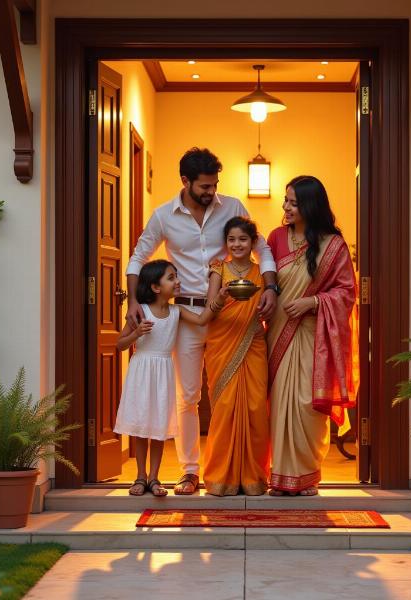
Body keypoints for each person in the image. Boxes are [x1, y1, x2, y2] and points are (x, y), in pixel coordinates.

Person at [125, 148, 277, 495]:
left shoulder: (233, 207)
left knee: (228, 395)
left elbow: (262, 248)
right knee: (189, 396)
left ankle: (233, 471)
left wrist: (270, 286)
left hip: (230, 316)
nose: (212, 192)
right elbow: (138, 257)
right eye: (205, 186)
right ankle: (190, 471)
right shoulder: (163, 216)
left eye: (214, 185)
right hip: (186, 316)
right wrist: (134, 300)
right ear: (186, 182)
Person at [267, 176, 357, 497]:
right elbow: (266, 282)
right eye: (285, 200)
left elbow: (347, 292)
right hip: (278, 334)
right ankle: (279, 475)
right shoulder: (276, 238)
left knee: (306, 404)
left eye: (293, 202)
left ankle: (307, 476)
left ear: (309, 205)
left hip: (312, 336)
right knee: (279, 405)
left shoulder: (333, 245)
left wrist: (313, 301)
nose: (286, 207)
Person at [114, 259, 228, 496]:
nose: (178, 282)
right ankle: (140, 477)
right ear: (156, 287)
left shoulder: (176, 312)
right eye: (171, 278)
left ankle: (154, 478)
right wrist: (136, 333)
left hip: (164, 371)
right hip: (142, 371)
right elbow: (120, 344)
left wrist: (219, 298)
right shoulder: (141, 311)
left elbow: (202, 319)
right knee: (141, 427)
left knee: (158, 426)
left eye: (176, 276)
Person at [203, 216, 271, 496]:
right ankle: (222, 477)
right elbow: (210, 308)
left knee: (256, 408)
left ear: (253, 242)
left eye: (243, 239)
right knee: (225, 408)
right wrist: (221, 296)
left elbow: (269, 304)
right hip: (223, 342)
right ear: (225, 242)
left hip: (254, 342)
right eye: (231, 239)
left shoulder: (262, 273)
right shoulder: (219, 269)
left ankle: (254, 477)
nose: (237, 244)